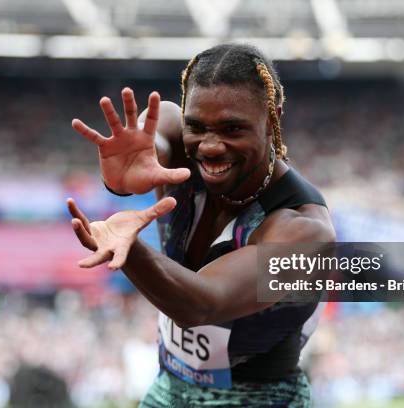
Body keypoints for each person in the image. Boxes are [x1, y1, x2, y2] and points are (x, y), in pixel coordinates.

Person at [67, 43, 335, 407]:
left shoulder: (304, 230)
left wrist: (128, 250)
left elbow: (203, 306)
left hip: (257, 399)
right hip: (169, 386)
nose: (209, 146)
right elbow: (154, 139)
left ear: (273, 118)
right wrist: (124, 177)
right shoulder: (176, 139)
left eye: (232, 129)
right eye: (197, 127)